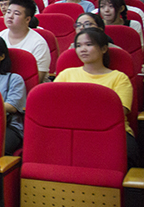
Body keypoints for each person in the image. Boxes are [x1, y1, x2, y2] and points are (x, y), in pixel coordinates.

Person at [55, 28, 138, 168]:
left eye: (89, 44)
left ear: (104, 48)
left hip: (111, 131)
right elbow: (53, 106)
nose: (83, 49)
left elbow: (119, 112)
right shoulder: (66, 74)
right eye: (79, 45)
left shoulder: (119, 78)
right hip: (71, 130)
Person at [0, 0, 50, 82]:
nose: (10, 16)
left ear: (27, 19)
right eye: (8, 12)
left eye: (16, 14)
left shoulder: (39, 44)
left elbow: (36, 79)